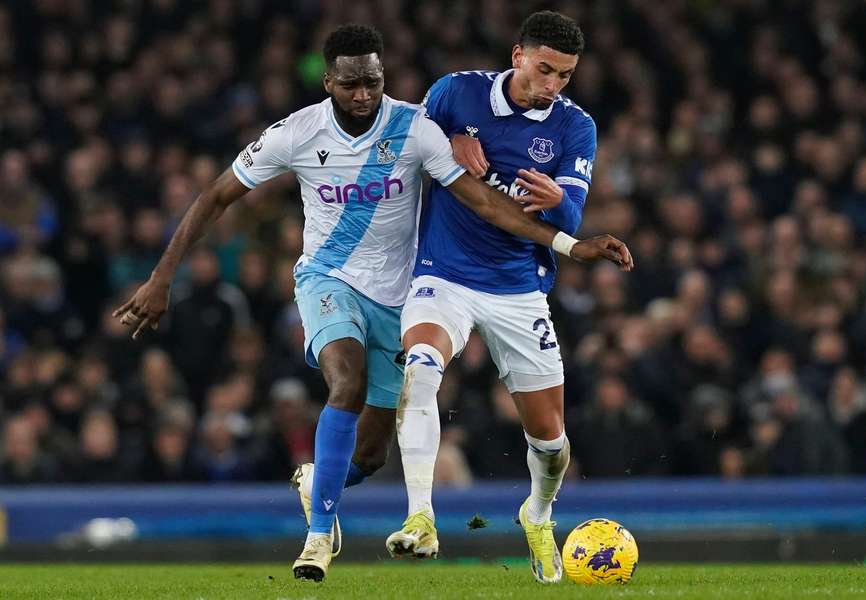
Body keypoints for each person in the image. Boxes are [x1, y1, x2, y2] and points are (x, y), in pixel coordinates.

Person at [113, 24, 632, 583]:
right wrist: (161, 276)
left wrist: (569, 239)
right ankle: (354, 533)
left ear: (385, 75)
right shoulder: (299, 132)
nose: (363, 94)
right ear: (328, 81)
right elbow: (216, 194)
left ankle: (329, 485)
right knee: (366, 379)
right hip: (359, 279)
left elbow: (486, 201)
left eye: (373, 81)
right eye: (350, 83)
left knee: (385, 453)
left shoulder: (421, 127)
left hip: (427, 288)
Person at [386, 12, 620, 584]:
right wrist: (448, 140)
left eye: (565, 75)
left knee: (552, 442)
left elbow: (571, 215)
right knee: (419, 368)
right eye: (544, 69)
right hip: (444, 274)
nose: (552, 85)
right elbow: (404, 150)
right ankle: (420, 516)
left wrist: (555, 199)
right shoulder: (455, 93)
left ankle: (537, 512)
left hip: (519, 289)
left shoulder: (574, 127)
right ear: (517, 55)